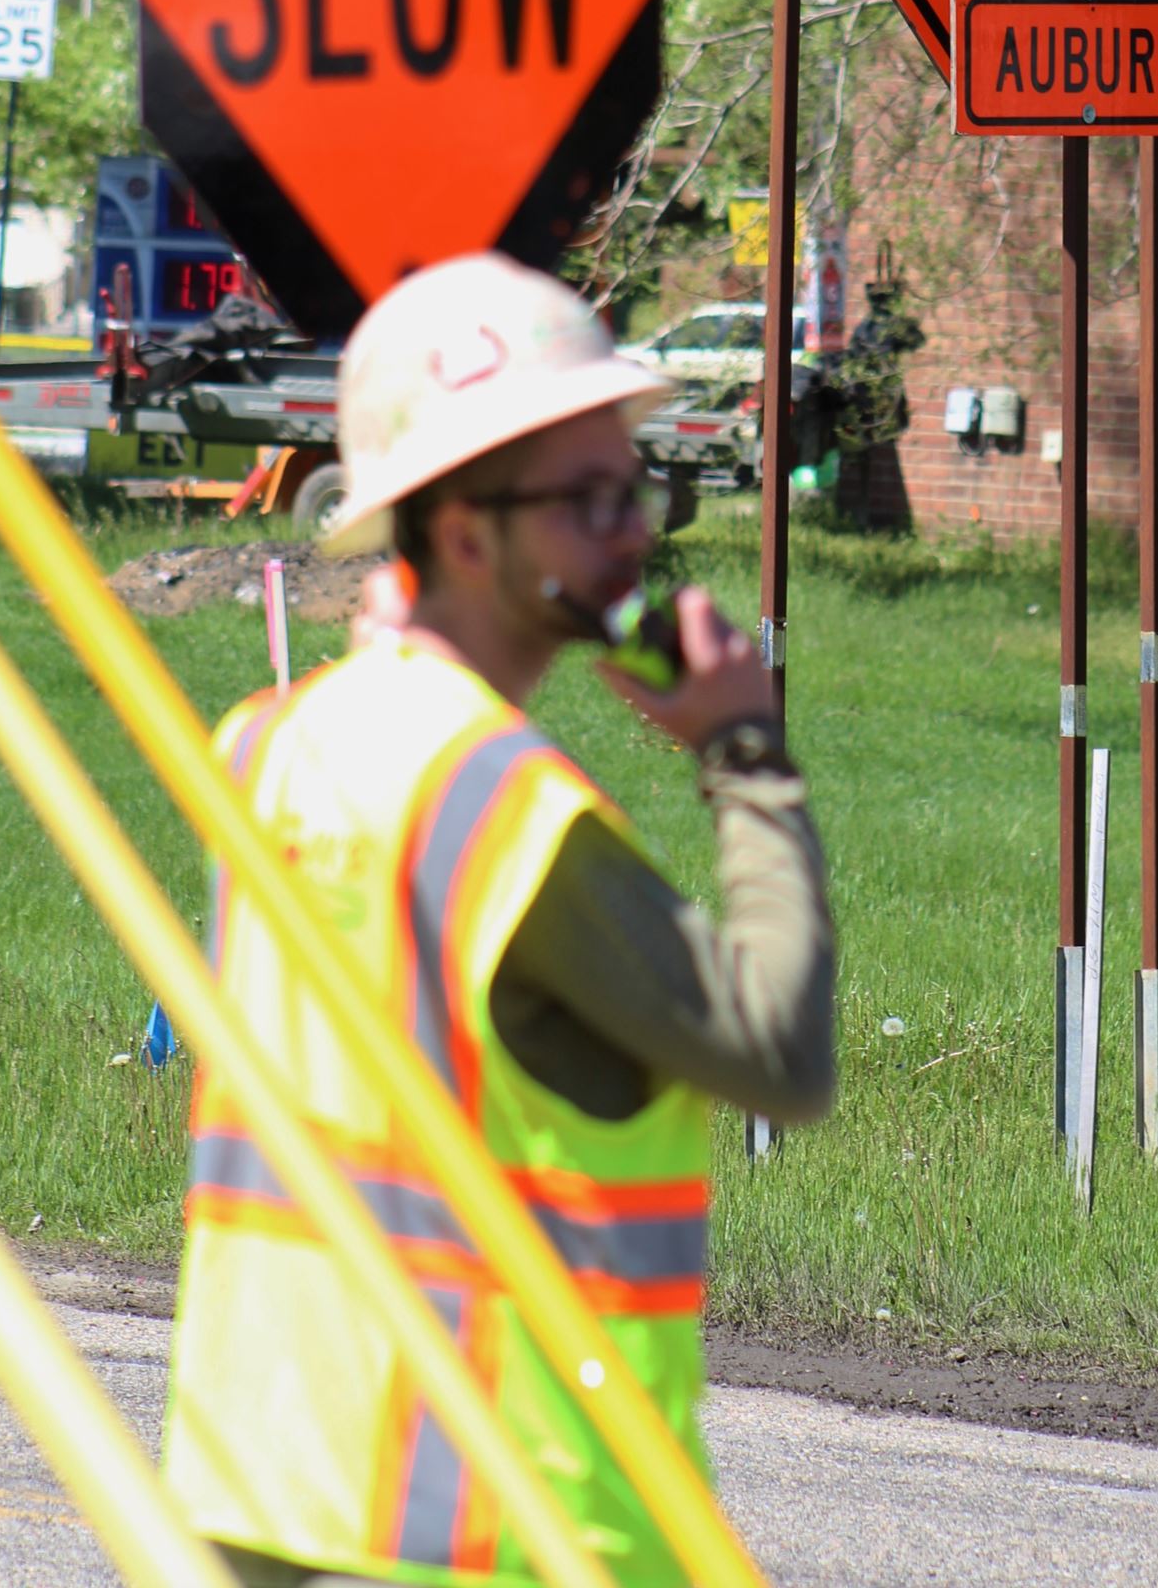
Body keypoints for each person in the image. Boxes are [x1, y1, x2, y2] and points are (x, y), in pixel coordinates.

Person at [161, 252, 835, 1588]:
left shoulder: (271, 743)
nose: (635, 533)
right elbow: (780, 1053)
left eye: (632, 487)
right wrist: (747, 758)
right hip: (488, 1515)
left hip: (266, 1493)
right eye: (587, 502)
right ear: (464, 535)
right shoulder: (495, 800)